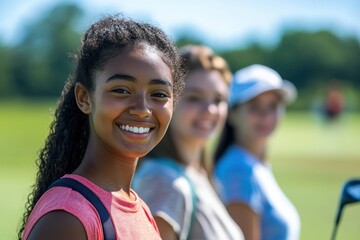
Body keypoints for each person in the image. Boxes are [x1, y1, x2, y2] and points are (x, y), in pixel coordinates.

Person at [18, 14, 186, 240]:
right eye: (121, 90)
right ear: (84, 98)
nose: (142, 109)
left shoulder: (142, 209)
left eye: (158, 94)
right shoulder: (68, 217)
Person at [133, 45, 244, 240]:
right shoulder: (164, 181)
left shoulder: (199, 174)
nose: (209, 110)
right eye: (194, 98)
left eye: (218, 99)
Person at [214, 64, 301, 240]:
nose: (265, 115)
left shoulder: (253, 164)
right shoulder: (238, 169)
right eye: (254, 106)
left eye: (273, 106)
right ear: (232, 114)